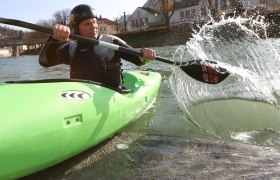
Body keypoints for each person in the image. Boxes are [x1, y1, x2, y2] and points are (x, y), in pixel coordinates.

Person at [39, 4, 156, 89]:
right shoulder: (71, 48)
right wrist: (54, 39)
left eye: (94, 22)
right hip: (80, 97)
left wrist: (144, 55)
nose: (93, 26)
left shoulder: (111, 41)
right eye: (87, 24)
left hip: (112, 93)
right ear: (77, 28)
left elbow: (138, 60)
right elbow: (44, 61)